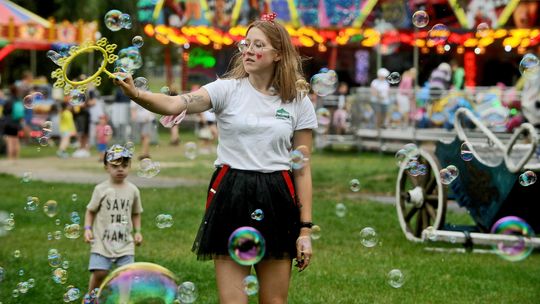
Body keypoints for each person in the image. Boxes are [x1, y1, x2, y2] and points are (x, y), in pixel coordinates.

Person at [114, 15, 316, 303]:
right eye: (246, 43)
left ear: (278, 54)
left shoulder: (297, 100)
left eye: (258, 45)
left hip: (277, 195)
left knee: (274, 301)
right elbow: (176, 102)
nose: (248, 50)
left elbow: (303, 169)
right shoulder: (227, 89)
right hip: (231, 191)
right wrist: (136, 93)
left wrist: (305, 230)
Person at [83, 144, 143, 295]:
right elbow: (90, 211)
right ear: (106, 167)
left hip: (125, 242)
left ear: (130, 166)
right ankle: (91, 297)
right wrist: (87, 229)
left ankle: (123, 300)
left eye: (124, 165)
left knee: (126, 276)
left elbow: (136, 213)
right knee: (99, 273)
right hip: (102, 241)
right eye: (115, 166)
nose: (120, 169)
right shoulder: (100, 189)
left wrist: (137, 232)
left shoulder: (133, 190)